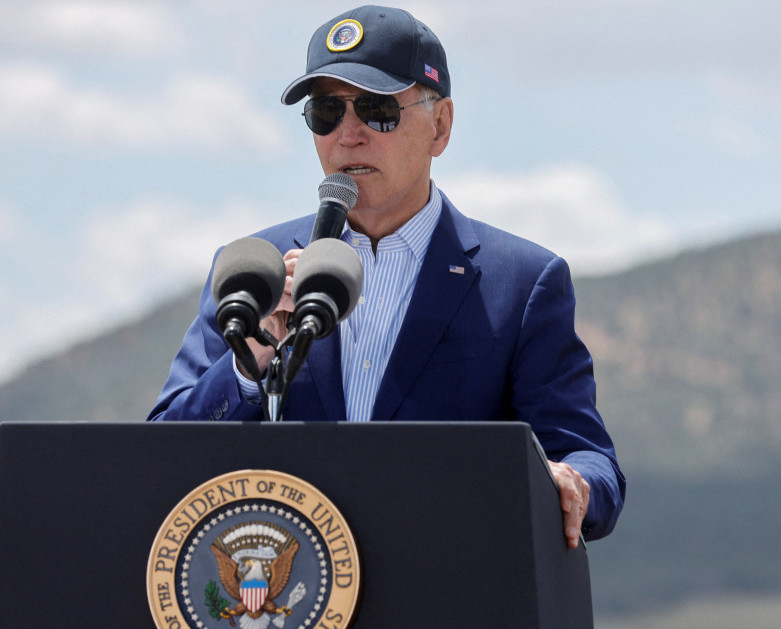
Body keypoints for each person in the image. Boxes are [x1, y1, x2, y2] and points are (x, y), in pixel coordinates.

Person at [149, 5, 625, 546]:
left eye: (377, 110)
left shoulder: (520, 282)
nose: (348, 135)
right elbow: (160, 451)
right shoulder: (251, 272)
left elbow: (588, 457)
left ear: (440, 126)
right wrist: (249, 363)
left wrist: (573, 481)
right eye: (326, 111)